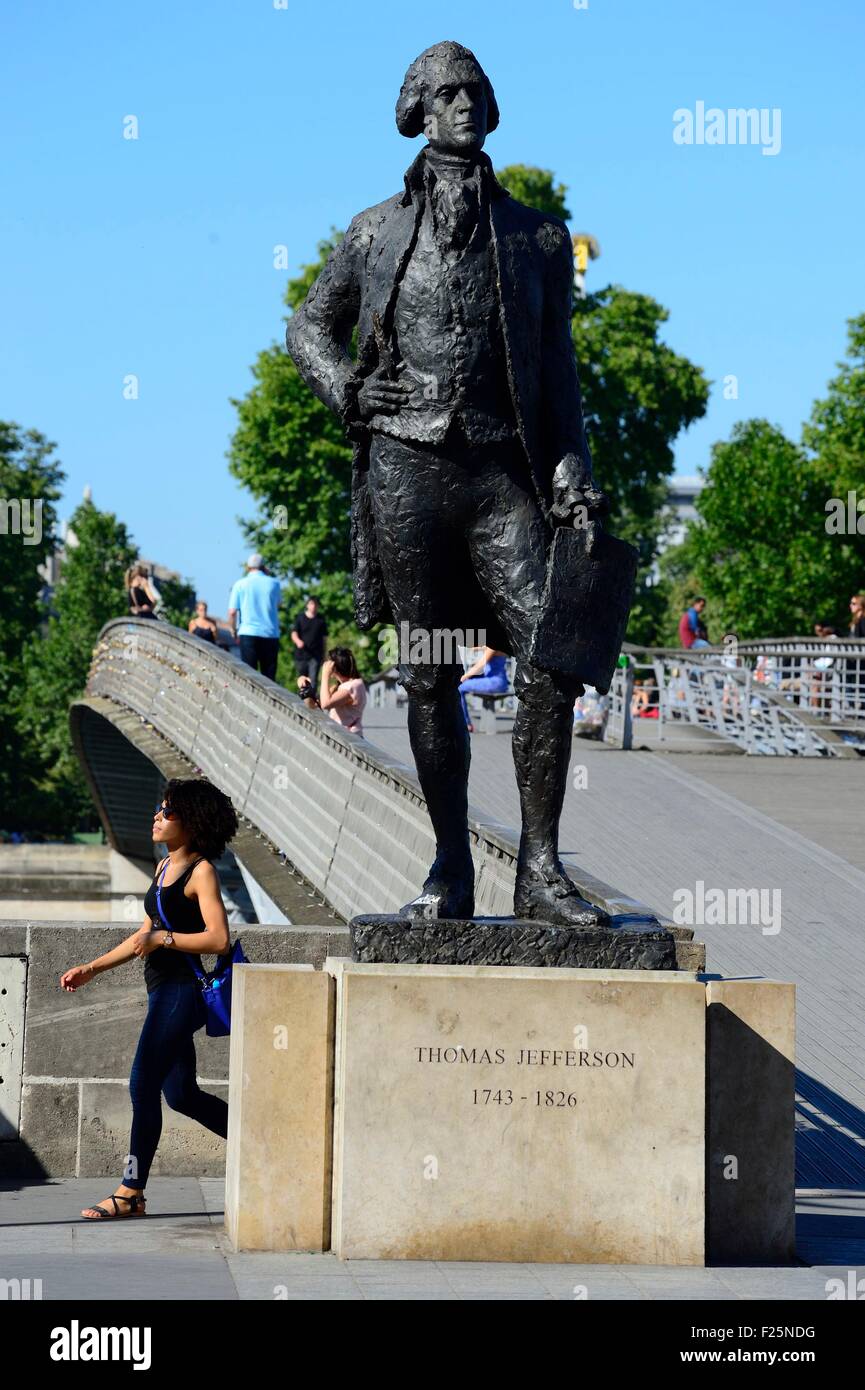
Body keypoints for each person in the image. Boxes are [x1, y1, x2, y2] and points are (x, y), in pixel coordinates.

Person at [285, 41, 612, 926]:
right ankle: (449, 871)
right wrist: (351, 391)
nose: (464, 104)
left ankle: (539, 871)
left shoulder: (537, 237)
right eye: (447, 93)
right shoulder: (372, 230)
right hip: (406, 472)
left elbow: (559, 372)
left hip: (503, 468)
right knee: (428, 673)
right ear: (417, 112)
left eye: (476, 92)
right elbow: (307, 329)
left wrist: (572, 470)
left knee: (548, 657)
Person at [59, 778, 239, 1220]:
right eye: (159, 809)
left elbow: (218, 939)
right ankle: (266, 1144)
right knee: (181, 1095)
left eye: (167, 811)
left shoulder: (201, 872)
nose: (157, 817)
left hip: (182, 993)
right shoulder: (162, 870)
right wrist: (93, 968)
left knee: (143, 1083)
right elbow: (143, 935)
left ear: (192, 821)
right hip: (162, 989)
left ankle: (131, 1190)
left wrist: (166, 937)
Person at [228, 553, 282, 680]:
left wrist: (233, 630)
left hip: (248, 632)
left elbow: (232, 612)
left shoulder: (240, 584)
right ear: (263, 567)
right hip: (270, 633)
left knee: (250, 676)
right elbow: (278, 604)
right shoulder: (274, 583)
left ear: (248, 568)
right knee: (269, 678)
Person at [458, 647, 509, 732]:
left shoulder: (494, 646)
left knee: (459, 688)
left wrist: (464, 676)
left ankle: (466, 724)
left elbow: (481, 664)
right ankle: (464, 722)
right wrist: (477, 648)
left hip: (494, 682)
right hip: (499, 682)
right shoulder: (498, 644)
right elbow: (485, 647)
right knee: (462, 686)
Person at [318, 647, 367, 736]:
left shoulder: (353, 686)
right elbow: (319, 703)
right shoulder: (346, 685)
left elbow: (325, 704)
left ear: (334, 667)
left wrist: (325, 675)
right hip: (344, 736)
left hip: (349, 739)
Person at [290, 596, 327, 695]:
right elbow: (294, 633)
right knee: (302, 679)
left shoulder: (321, 620)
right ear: (307, 605)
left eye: (315, 604)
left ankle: (311, 702)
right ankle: (302, 699)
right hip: (301, 655)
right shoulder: (300, 618)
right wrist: (298, 641)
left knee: (313, 680)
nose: (313, 606)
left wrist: (324, 655)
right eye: (311, 603)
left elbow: (324, 638)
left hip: (315, 655)